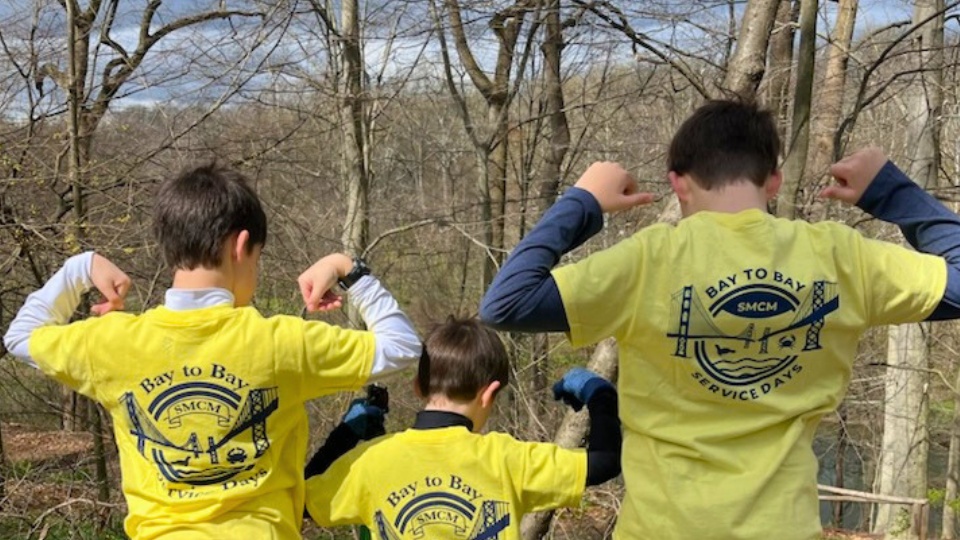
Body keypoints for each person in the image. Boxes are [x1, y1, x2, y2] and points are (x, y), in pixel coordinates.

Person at [479, 99, 960, 540]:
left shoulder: (649, 260)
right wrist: (891, 192)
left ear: (677, 182)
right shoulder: (838, 257)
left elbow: (506, 303)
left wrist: (581, 200)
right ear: (773, 179)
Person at [3, 163, 422, 539]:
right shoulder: (280, 343)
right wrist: (347, 268)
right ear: (240, 247)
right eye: (256, 260)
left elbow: (20, 337)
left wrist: (81, 268)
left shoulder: (111, 343)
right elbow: (402, 348)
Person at [302, 318, 621, 539]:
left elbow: (300, 500)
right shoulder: (505, 459)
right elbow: (605, 461)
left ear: (418, 386)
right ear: (489, 393)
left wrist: (346, 433)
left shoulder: (370, 462)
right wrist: (599, 393)